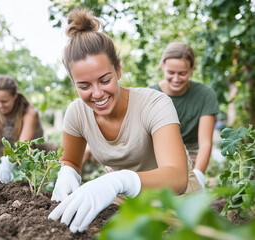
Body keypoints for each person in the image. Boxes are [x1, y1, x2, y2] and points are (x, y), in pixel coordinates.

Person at [47, 8, 202, 233]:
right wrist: (67, 173)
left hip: (177, 204)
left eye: (104, 80)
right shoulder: (76, 113)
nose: (97, 93)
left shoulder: (154, 104)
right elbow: (70, 161)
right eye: (84, 86)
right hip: (123, 204)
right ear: (74, 83)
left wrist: (119, 180)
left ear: (118, 69)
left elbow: (177, 178)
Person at [150, 42, 219, 188]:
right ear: (163, 66)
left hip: (190, 155)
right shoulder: (150, 95)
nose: (176, 79)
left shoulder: (205, 96)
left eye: (182, 73)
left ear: (192, 68)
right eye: (171, 73)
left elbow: (205, 143)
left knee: (183, 188)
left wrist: (198, 175)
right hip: (157, 153)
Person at [0, 74, 49, 182]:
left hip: (31, 153)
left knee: (25, 182)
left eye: (4, 101)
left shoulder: (29, 112)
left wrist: (8, 162)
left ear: (14, 96)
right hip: (2, 152)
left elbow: (24, 146)